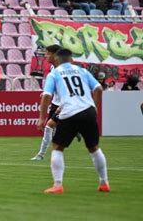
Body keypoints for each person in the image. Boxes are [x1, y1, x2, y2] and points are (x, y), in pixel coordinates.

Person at [37, 48, 109, 194]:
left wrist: (42, 118)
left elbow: (46, 96)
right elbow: (99, 89)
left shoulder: (55, 73)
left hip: (69, 112)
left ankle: (57, 185)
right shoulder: (82, 71)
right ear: (71, 59)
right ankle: (104, 183)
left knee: (57, 147)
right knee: (94, 148)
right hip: (88, 111)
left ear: (57, 60)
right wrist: (94, 108)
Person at [30, 45, 62, 161]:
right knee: (52, 129)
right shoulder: (53, 68)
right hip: (56, 102)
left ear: (55, 54)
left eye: (48, 53)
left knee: (49, 126)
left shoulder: (62, 70)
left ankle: (41, 155)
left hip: (64, 104)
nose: (45, 56)